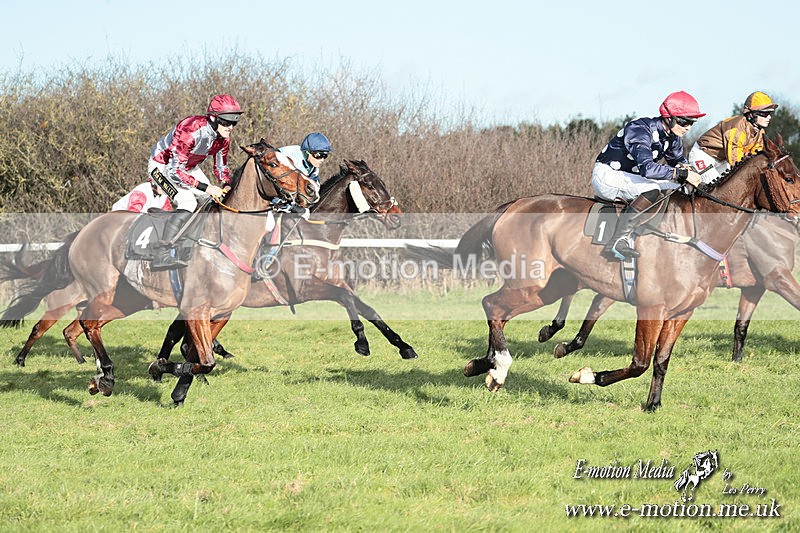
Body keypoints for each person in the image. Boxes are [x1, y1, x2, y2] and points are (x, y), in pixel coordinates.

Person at [591, 91, 705, 260]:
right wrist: (681, 173)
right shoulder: (640, 129)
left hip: (631, 177)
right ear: (668, 117)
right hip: (608, 175)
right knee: (652, 189)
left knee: (680, 189)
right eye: (684, 121)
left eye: (692, 123)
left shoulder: (673, 137)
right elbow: (648, 169)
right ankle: (617, 240)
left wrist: (692, 174)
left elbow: (679, 163)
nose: (688, 127)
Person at [148, 94, 243, 270]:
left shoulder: (223, 137)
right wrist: (206, 187)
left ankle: (188, 247)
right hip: (162, 166)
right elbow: (174, 171)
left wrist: (226, 183)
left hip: (188, 168)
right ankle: (161, 253)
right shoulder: (190, 129)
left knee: (211, 200)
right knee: (188, 201)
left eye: (234, 122)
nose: (230, 127)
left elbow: (221, 166)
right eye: (226, 122)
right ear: (213, 118)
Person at [688, 91, 778, 183]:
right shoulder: (737, 127)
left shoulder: (759, 133)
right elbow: (736, 161)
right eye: (765, 114)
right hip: (703, 156)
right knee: (715, 187)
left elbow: (754, 157)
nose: (769, 117)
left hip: (723, 160)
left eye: (770, 113)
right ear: (751, 114)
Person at [274, 132, 332, 211]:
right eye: (319, 155)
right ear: (307, 152)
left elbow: (315, 188)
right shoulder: (291, 155)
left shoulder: (314, 169)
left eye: (325, 156)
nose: (322, 160)